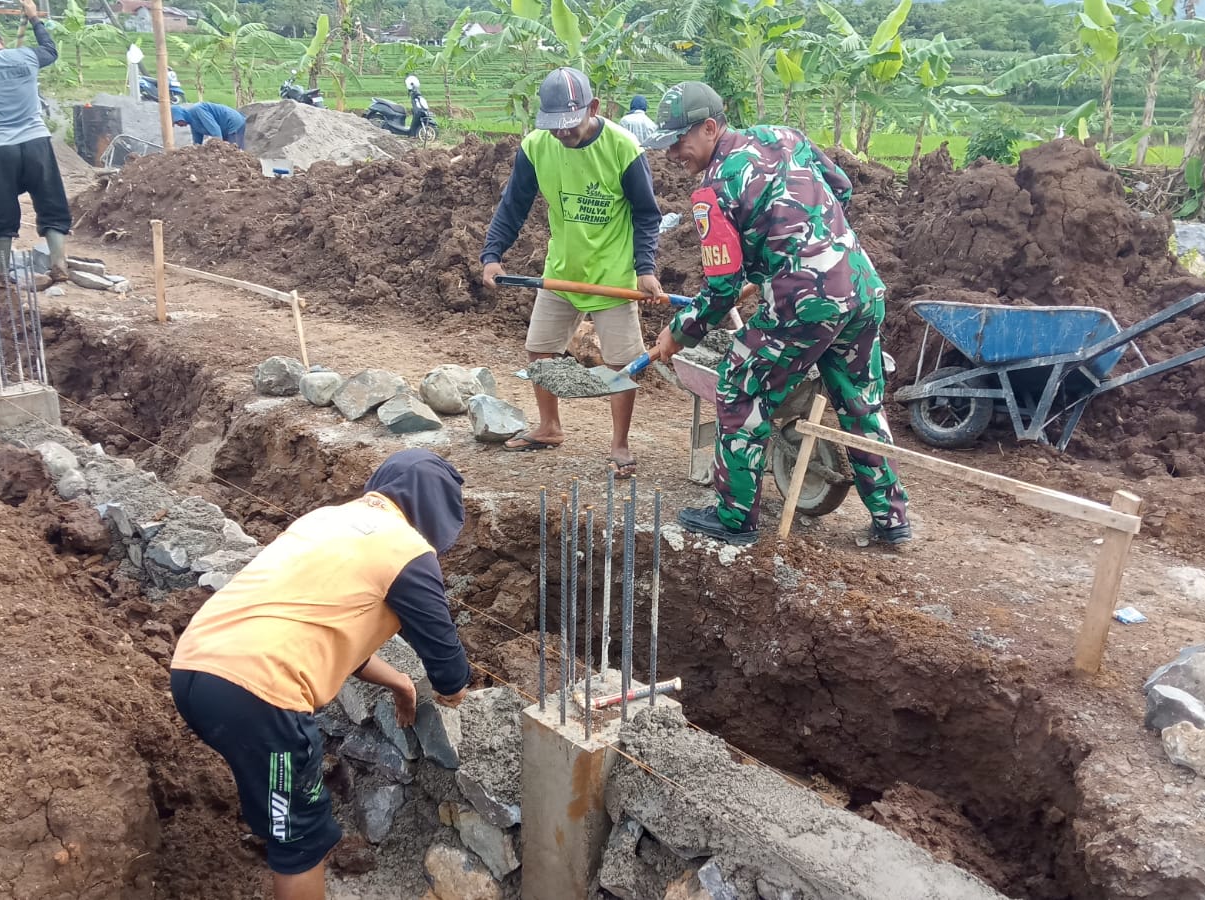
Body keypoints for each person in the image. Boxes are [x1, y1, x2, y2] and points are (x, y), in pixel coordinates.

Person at [170, 449, 471, 900]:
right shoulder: (407, 551)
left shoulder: (325, 519)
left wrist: (399, 682)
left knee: (273, 793)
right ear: (435, 508)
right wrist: (451, 689)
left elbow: (321, 631)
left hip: (193, 669)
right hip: (258, 694)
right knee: (303, 841)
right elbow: (449, 671)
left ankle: (271, 828)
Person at [642, 81, 911, 546]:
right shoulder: (783, 136)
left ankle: (735, 517)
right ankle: (892, 521)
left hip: (802, 305)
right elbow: (841, 189)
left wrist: (677, 334)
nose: (671, 156)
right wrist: (801, 247)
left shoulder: (713, 190)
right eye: (664, 146)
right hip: (861, 290)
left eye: (678, 142)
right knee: (861, 402)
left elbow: (722, 290)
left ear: (709, 127)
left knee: (739, 386)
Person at [479, 67, 665, 478]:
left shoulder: (623, 147)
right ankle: (549, 428)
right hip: (562, 269)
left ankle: (619, 444)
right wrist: (492, 254)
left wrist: (645, 269)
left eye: (569, 124)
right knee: (539, 349)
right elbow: (514, 205)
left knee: (623, 363)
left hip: (614, 275)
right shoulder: (536, 146)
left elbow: (647, 215)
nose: (561, 133)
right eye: (553, 126)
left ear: (593, 108)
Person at [0, 0, 71, 286]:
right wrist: (34, 19)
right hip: (36, 141)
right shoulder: (27, 56)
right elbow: (51, 50)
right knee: (51, 203)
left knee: (2, 208)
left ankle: (1, 272)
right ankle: (59, 265)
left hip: (1, 148)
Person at [172, 101, 247, 148]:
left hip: (232, 122)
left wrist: (219, 148)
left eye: (177, 121)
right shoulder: (193, 124)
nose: (178, 125)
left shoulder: (198, 110)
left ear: (181, 115)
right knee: (227, 152)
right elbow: (197, 142)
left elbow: (215, 130)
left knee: (234, 151)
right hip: (224, 129)